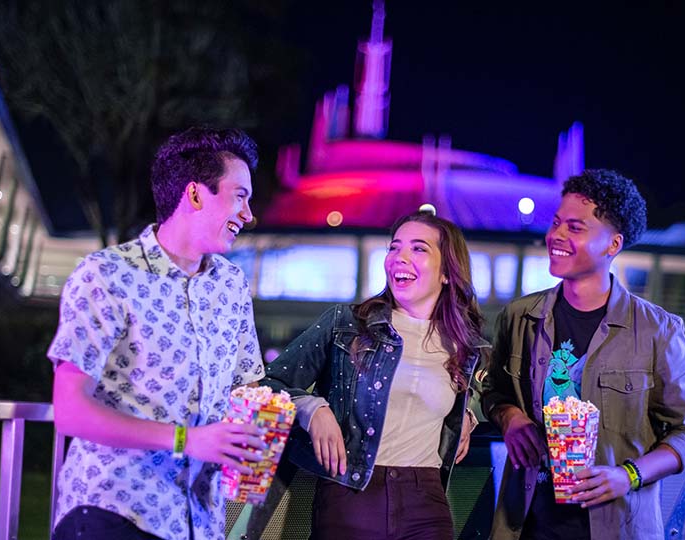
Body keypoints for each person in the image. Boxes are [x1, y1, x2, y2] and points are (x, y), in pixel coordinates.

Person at [48, 127, 267, 540]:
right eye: (240, 196)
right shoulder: (108, 274)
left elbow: (247, 389)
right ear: (196, 194)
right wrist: (187, 440)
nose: (249, 214)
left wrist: (284, 418)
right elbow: (70, 410)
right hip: (113, 510)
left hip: (200, 523)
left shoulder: (232, 285)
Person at [481, 169, 685, 540]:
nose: (556, 235)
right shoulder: (520, 317)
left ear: (613, 244)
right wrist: (508, 417)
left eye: (575, 227)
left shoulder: (658, 330)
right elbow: (492, 393)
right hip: (525, 525)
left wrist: (629, 475)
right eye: (556, 223)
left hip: (618, 527)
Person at [261, 209, 489, 539]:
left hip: (426, 496)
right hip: (351, 493)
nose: (400, 257)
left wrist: (468, 413)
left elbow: (489, 390)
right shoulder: (347, 324)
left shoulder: (464, 344)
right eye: (394, 247)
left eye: (419, 248)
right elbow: (268, 383)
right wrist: (313, 409)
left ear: (447, 273)